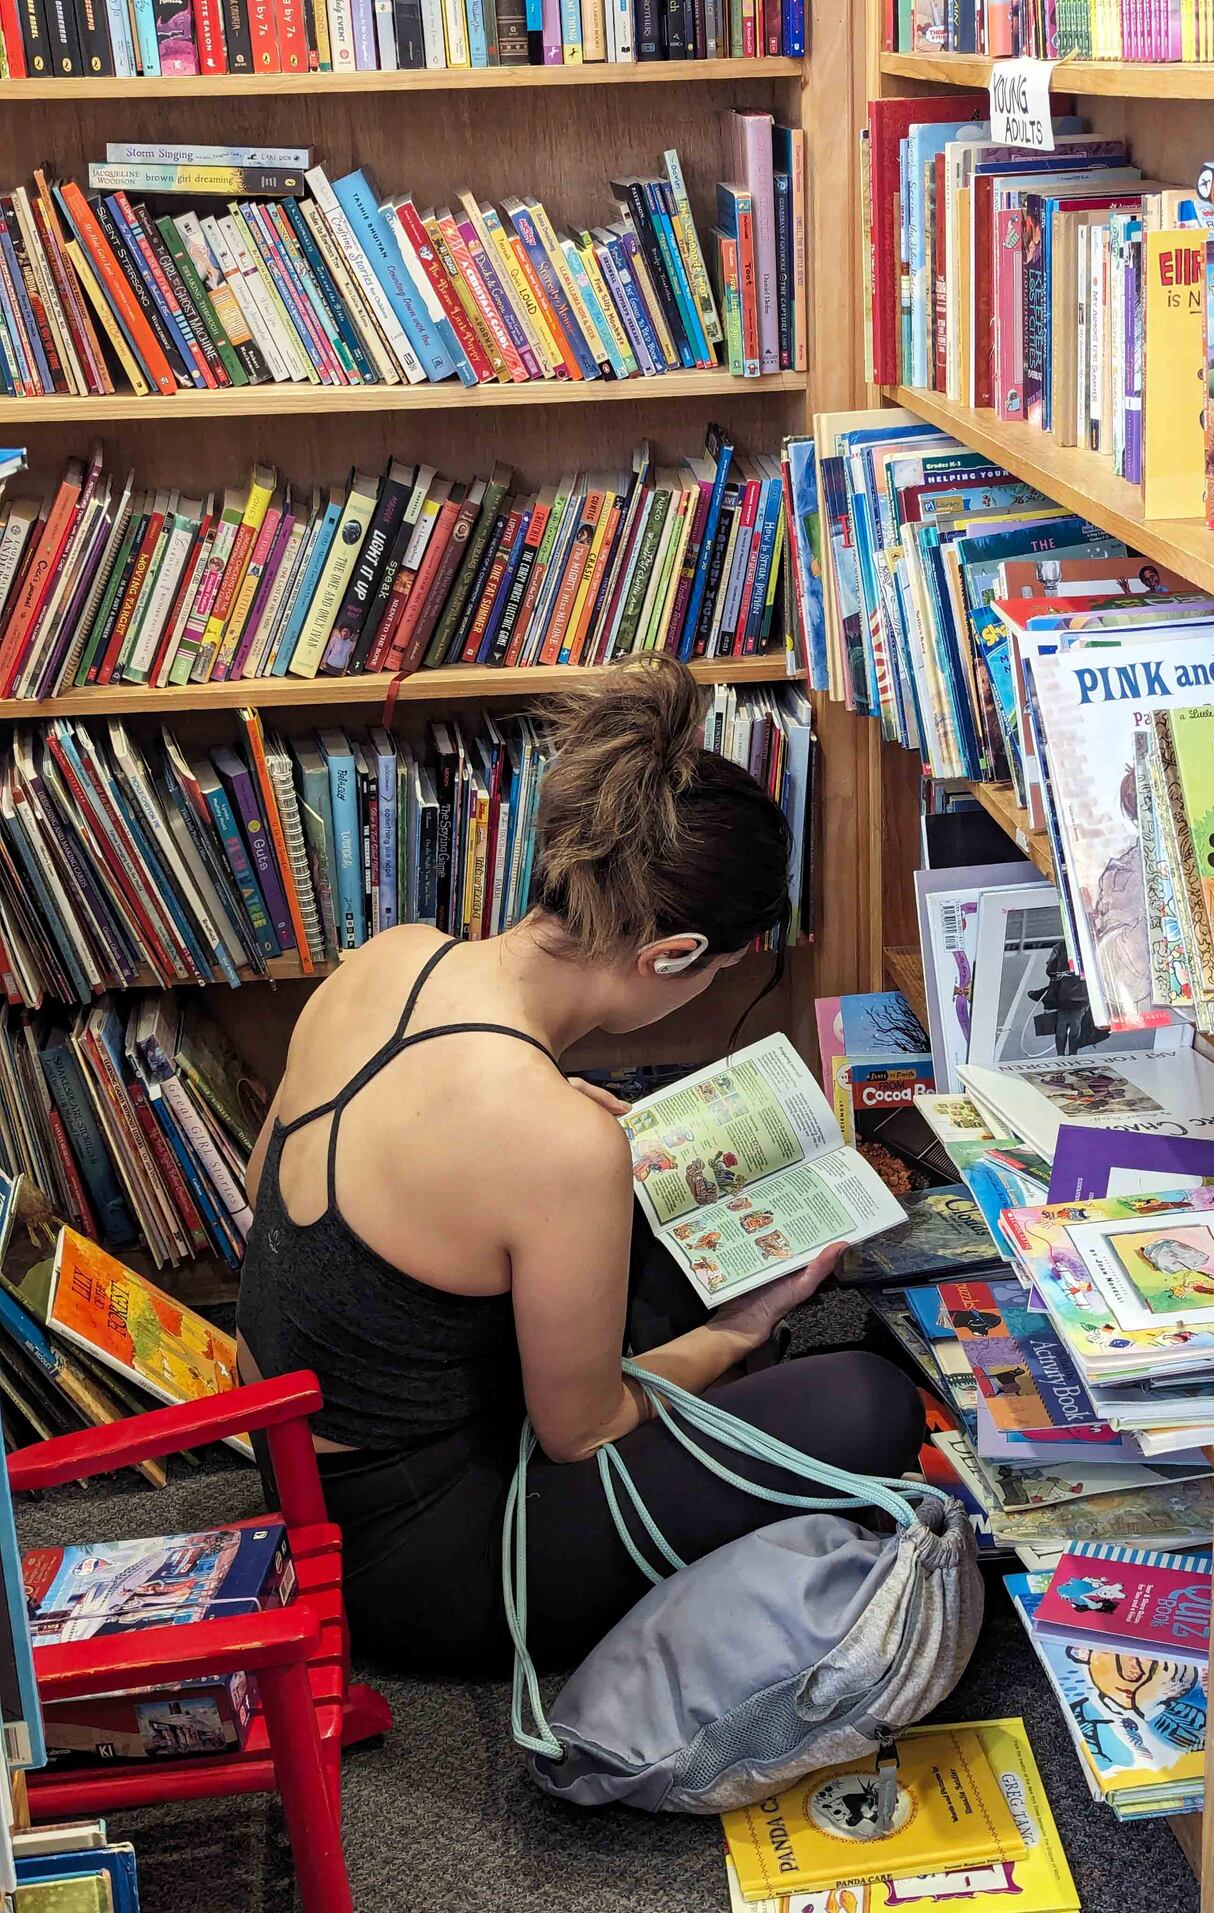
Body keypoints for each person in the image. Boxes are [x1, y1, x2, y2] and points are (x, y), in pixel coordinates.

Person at [237, 657, 923, 1676]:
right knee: (869, 1404)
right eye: (725, 967)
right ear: (674, 954)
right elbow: (583, 1432)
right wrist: (745, 1326)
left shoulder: (391, 955)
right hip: (409, 1557)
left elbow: (291, 1202)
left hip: (295, 1461)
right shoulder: (554, 1139)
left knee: (645, 1224)